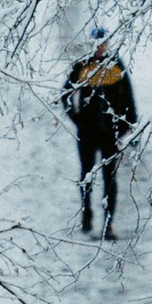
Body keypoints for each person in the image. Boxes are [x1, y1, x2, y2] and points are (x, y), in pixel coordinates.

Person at [61, 31, 137, 236]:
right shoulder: (82, 66)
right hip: (87, 132)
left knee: (110, 178)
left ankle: (108, 224)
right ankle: (86, 216)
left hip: (110, 133)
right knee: (86, 175)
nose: (100, 47)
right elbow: (65, 94)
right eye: (96, 43)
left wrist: (129, 126)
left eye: (103, 43)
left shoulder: (116, 65)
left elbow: (129, 98)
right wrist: (76, 118)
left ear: (107, 44)